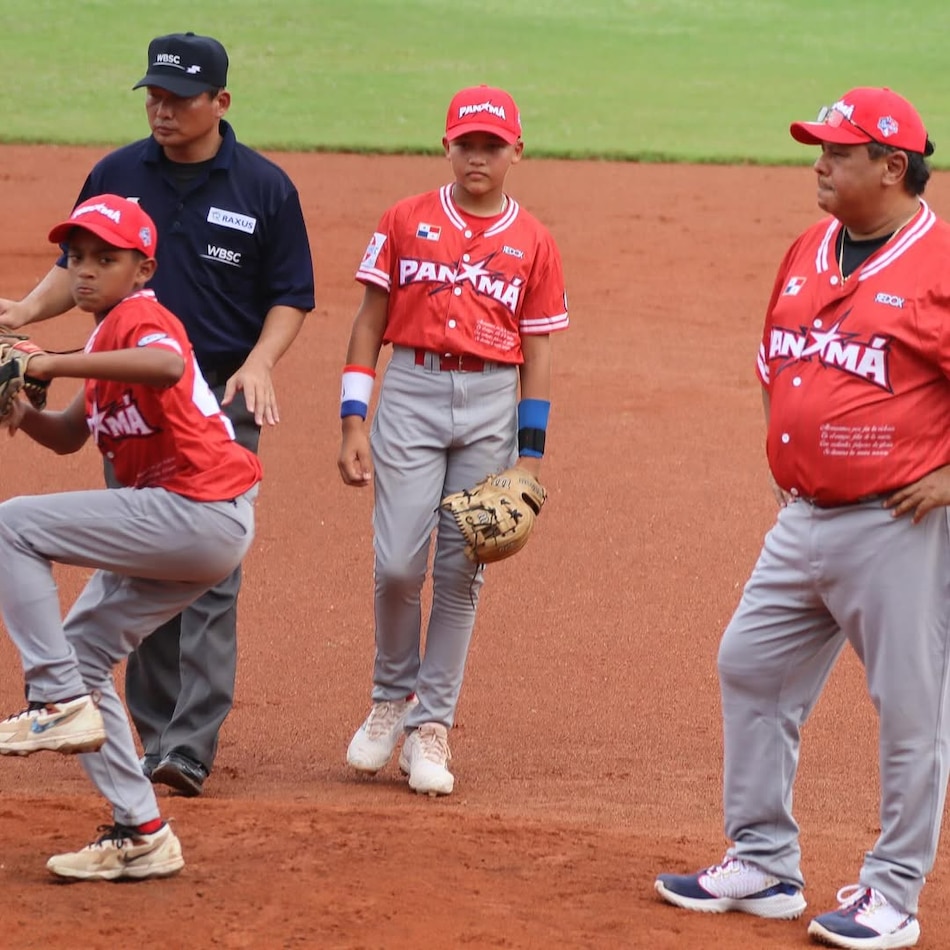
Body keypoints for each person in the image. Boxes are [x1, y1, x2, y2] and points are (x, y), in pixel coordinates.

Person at [654, 87, 950, 950]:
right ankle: (765, 861)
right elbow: (775, 363)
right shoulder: (810, 247)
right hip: (803, 518)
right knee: (749, 665)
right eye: (819, 147)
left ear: (892, 167)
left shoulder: (937, 264)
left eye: (838, 151)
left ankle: (893, 892)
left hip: (896, 524)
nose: (818, 162)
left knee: (910, 708)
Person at [0, 32, 314, 796]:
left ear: (220, 103)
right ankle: (142, 746)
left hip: (213, 397)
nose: (161, 108)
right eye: (153, 94)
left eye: (177, 96)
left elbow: (289, 295)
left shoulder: (262, 187)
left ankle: (186, 747)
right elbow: (67, 272)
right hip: (120, 392)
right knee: (135, 569)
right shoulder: (116, 174)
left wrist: (259, 362)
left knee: (206, 581)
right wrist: (18, 351)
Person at [0, 194, 261, 879]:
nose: (85, 271)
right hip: (190, 524)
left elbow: (169, 367)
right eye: (77, 258)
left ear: (142, 268)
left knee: (11, 523)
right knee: (85, 652)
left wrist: (50, 363)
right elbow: (64, 437)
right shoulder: (102, 341)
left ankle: (53, 699)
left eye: (104, 259)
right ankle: (140, 829)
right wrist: (21, 409)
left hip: (198, 508)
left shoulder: (141, 317)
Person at [338, 85, 569, 796]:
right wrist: (354, 416)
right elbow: (369, 324)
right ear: (446, 146)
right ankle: (389, 699)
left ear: (515, 153)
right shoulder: (405, 221)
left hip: (493, 400)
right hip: (410, 389)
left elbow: (538, 350)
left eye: (492, 146)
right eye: (465, 143)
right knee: (400, 565)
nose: (478, 156)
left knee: (464, 566)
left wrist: (530, 454)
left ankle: (431, 724)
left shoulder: (535, 241)